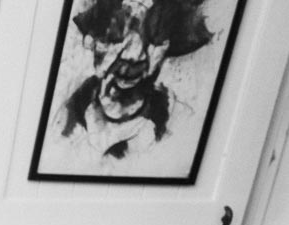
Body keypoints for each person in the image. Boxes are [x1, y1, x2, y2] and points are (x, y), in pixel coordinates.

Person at [55, 0, 214, 163]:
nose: (134, 55)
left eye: (154, 38)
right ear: (92, 40)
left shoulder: (179, 121)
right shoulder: (68, 114)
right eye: (116, 35)